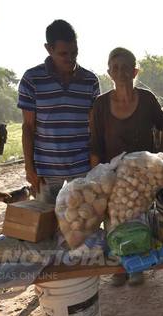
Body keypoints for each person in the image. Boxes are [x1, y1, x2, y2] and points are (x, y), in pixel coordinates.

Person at [89, 47, 163, 286]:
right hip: (111, 175)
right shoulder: (100, 105)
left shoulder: (146, 99)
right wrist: (96, 180)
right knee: (114, 218)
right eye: (116, 68)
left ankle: (138, 266)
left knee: (139, 217)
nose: (121, 72)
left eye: (126, 67)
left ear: (135, 71)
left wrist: (160, 157)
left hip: (141, 176)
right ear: (109, 73)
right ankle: (119, 267)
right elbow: (94, 145)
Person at [18, 19, 100, 205]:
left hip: (82, 170)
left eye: (74, 53)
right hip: (46, 172)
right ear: (49, 49)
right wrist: (29, 168)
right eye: (64, 54)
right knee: (46, 228)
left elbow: (95, 128)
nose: (70, 59)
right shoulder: (31, 79)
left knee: (81, 225)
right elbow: (28, 127)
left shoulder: (90, 81)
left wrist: (95, 165)